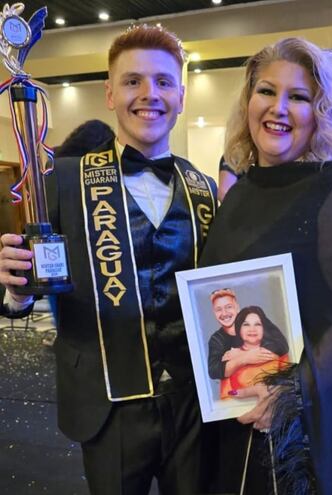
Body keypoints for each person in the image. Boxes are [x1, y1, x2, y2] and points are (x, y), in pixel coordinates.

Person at [0, 24, 217, 495]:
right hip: (107, 404)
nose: (149, 95)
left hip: (192, 405)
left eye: (163, 82)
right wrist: (16, 291)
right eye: (132, 81)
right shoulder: (60, 181)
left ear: (181, 95)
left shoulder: (205, 190)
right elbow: (29, 280)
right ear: (109, 94)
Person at [199, 37, 332, 495]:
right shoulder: (243, 191)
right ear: (248, 100)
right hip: (239, 413)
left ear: (321, 111)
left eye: (299, 97)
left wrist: (295, 389)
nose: (278, 108)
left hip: (309, 428)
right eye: (266, 91)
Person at [43, 119, 116, 344]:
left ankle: (67, 341)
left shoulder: (54, 167)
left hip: (56, 258)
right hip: (95, 252)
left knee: (65, 314)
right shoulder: (93, 173)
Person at [208, 288, 288, 382]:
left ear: (237, 307)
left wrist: (240, 354)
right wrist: (245, 358)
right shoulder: (216, 339)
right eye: (218, 309)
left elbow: (281, 345)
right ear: (214, 312)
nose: (224, 313)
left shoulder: (251, 316)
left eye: (228, 307)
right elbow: (214, 371)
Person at [220, 306, 289, 399]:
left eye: (257, 324)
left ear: (264, 328)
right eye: (246, 324)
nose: (252, 329)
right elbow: (225, 398)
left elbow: (289, 390)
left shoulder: (278, 354)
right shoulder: (230, 357)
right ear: (238, 328)